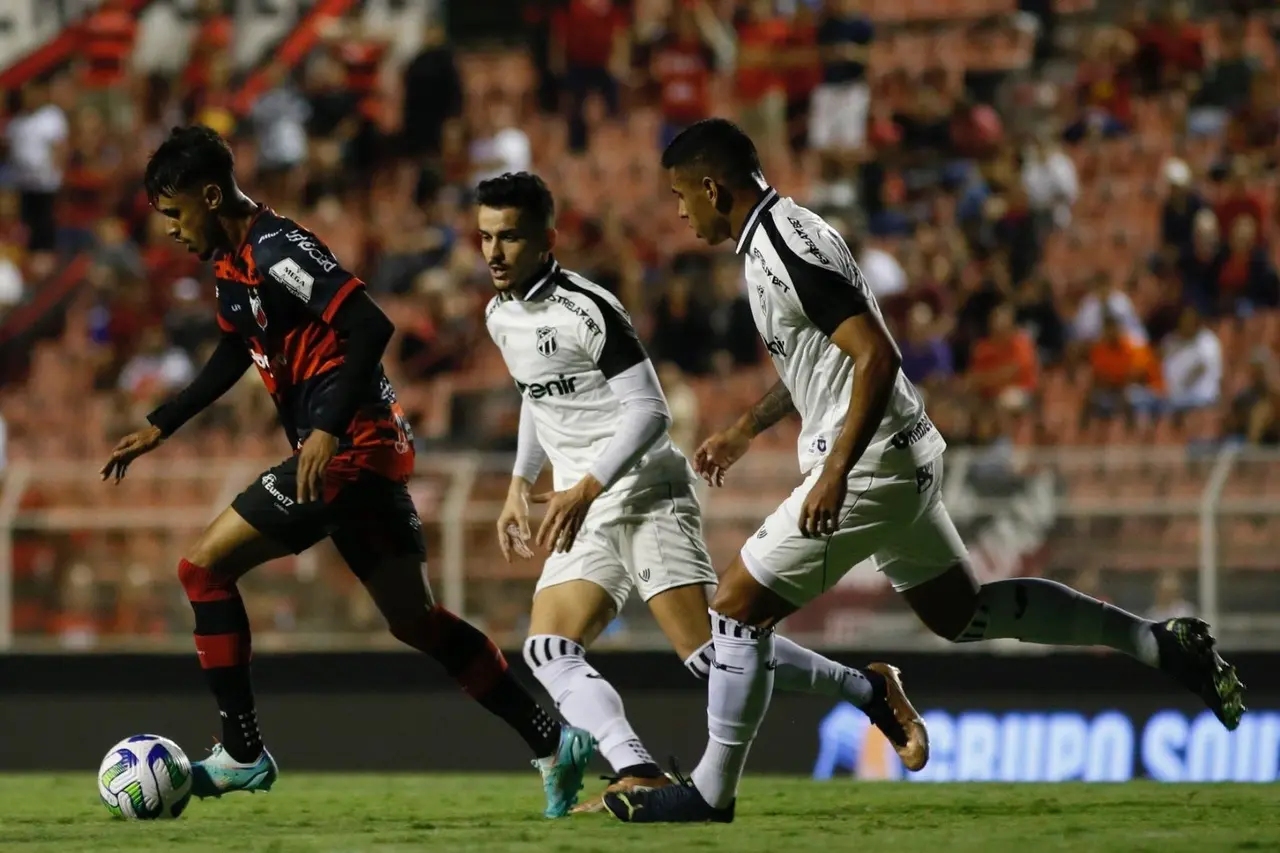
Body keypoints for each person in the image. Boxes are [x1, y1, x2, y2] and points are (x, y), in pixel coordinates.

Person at [605, 118, 1246, 824]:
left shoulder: (783, 250)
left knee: (731, 611)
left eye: (679, 195)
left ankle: (710, 791)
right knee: (961, 613)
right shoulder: (790, 232)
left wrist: (835, 473)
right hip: (903, 453)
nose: (677, 211)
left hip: (869, 463)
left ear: (710, 186)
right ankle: (1155, 642)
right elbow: (826, 353)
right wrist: (745, 429)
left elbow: (877, 356)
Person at [101, 127, 592, 817]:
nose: (175, 231)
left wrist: (326, 427)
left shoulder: (277, 250)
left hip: (350, 446)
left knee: (202, 569)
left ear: (210, 195)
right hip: (363, 452)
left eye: (176, 213)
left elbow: (370, 324)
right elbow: (235, 349)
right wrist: (162, 423)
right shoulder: (231, 266)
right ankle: (551, 739)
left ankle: (242, 751)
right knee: (415, 619)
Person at [478, 171, 920, 814]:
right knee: (548, 647)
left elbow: (650, 411)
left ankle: (867, 690)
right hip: (586, 506)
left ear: (546, 239)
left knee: (712, 660)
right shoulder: (499, 314)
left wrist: (586, 488)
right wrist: (520, 483)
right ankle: (637, 766)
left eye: (509, 237)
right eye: (486, 237)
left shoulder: (587, 308)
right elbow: (534, 393)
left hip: (642, 491)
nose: (494, 252)